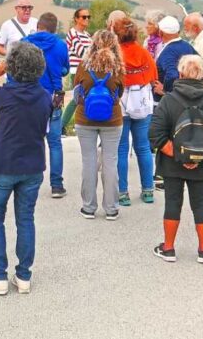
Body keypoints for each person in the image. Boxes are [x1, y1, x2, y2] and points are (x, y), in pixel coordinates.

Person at [0, 43, 53, 295]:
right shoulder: (44, 96)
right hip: (33, 165)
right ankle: (24, 275)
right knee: (25, 219)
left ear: (12, 67)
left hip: (4, 164)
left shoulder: (5, 94)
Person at [149, 55, 203, 263]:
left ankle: (168, 248)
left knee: (172, 203)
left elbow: (155, 135)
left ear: (181, 73)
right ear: (201, 75)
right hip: (202, 165)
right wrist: (201, 157)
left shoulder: (168, 100)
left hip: (171, 164)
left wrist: (179, 155)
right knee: (201, 205)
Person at [73, 30, 125, 220]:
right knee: (110, 162)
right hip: (112, 120)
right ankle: (111, 208)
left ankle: (89, 207)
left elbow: (77, 91)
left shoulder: (84, 66)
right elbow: (119, 94)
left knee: (89, 161)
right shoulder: (118, 68)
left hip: (85, 119)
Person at [22, 12, 69, 197]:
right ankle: (56, 185)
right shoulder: (60, 45)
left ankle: (28, 181)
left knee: (31, 141)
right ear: (54, 28)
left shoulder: (25, 41)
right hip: (53, 96)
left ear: (38, 25)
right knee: (55, 143)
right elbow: (65, 69)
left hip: (29, 95)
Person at [113, 17, 158, 206]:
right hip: (142, 104)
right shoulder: (144, 53)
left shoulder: (115, 55)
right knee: (143, 147)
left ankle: (123, 193)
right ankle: (148, 190)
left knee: (122, 149)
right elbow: (153, 77)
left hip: (121, 104)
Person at [62, 8, 93, 132]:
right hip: (76, 71)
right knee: (77, 99)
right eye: (83, 17)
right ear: (76, 19)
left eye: (88, 17)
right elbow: (82, 53)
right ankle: (61, 126)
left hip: (88, 71)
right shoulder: (72, 33)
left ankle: (83, 124)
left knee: (85, 99)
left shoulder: (87, 35)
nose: (86, 19)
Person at [153, 16, 197, 99]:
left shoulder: (167, 52)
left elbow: (172, 75)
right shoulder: (188, 46)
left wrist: (165, 90)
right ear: (178, 32)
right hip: (189, 95)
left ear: (161, 33)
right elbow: (201, 66)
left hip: (166, 102)